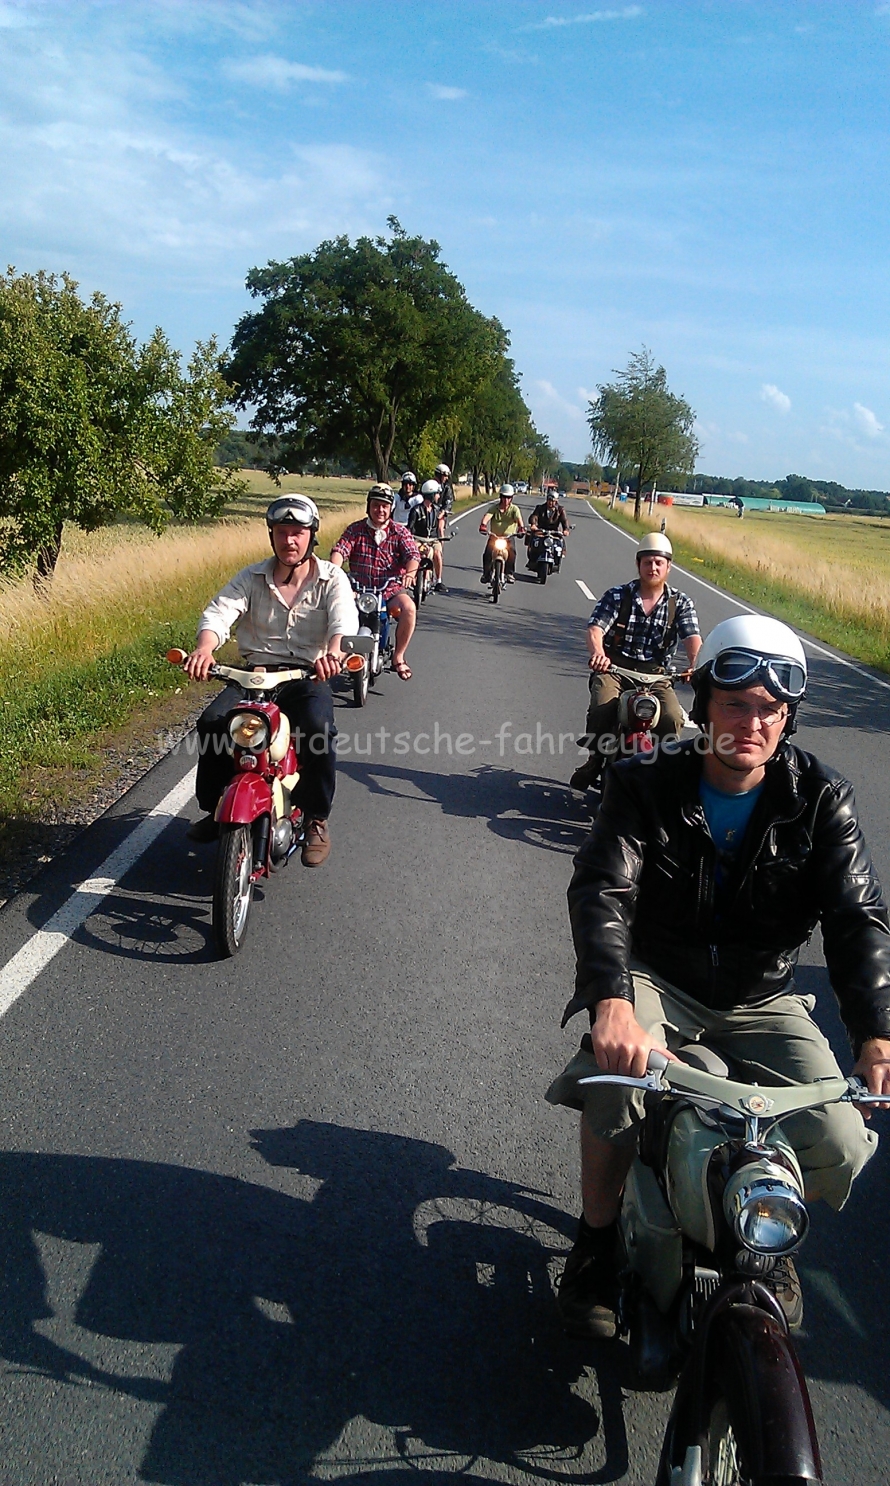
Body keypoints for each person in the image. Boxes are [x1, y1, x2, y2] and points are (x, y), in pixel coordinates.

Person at [548, 615, 890, 1339]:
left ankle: (767, 1234)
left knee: (840, 1134)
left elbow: (858, 918)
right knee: (615, 1088)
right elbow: (602, 890)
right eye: (736, 703)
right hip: (659, 977)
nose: (753, 721)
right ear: (704, 704)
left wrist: (876, 1036)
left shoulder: (822, 798)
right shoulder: (644, 781)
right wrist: (610, 1000)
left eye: (772, 708)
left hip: (761, 994)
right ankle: (596, 1241)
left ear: (788, 716)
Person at [184, 495, 359, 867]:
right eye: (282, 533)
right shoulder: (251, 577)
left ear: (311, 537)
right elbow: (219, 614)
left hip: (306, 674)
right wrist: (204, 649)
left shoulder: (332, 579)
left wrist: (333, 654)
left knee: (318, 728)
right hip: (254, 674)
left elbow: (344, 624)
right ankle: (215, 806)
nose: (289, 541)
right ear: (272, 536)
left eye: (298, 533)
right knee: (213, 723)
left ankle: (316, 817)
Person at [569, 533, 701, 792]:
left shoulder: (680, 603)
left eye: (658, 563)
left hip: (657, 676)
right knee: (602, 706)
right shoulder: (618, 596)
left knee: (673, 718)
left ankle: (663, 772)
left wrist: (696, 664)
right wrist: (599, 653)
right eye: (647, 562)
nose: (653, 567)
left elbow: (692, 637)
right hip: (615, 669)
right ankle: (595, 758)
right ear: (638, 564)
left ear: (668, 567)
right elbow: (595, 629)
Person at [330, 484, 420, 680]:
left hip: (389, 590)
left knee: (409, 608)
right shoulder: (355, 530)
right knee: (334, 610)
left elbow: (413, 554)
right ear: (369, 506)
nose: (380, 510)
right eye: (376, 505)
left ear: (391, 509)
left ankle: (398, 657)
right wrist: (335, 571)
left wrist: (410, 574)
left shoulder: (399, 532)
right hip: (358, 591)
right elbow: (340, 550)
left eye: (385, 506)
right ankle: (333, 656)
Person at [479, 483, 526, 584]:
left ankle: (509, 573)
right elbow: (487, 516)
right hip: (494, 537)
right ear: (500, 497)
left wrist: (521, 528)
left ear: (511, 498)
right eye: (504, 497)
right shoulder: (494, 508)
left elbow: (519, 520)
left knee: (512, 552)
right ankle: (486, 574)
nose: (506, 500)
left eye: (508, 497)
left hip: (508, 538)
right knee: (487, 553)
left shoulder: (514, 509)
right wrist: (483, 525)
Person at [408, 480, 448, 593]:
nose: (438, 496)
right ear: (431, 495)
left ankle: (438, 581)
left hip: (433, 539)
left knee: (437, 554)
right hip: (418, 538)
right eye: (437, 493)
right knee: (414, 553)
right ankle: (412, 576)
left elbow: (439, 527)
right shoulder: (416, 510)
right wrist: (411, 539)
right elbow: (410, 528)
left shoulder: (436, 510)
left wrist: (441, 538)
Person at [526, 489, 569, 568]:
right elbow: (534, 516)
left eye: (553, 501)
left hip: (554, 531)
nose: (550, 502)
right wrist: (533, 524)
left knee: (560, 542)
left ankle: (559, 557)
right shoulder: (540, 508)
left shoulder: (560, 510)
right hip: (541, 530)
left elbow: (564, 520)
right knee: (534, 540)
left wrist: (566, 529)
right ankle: (532, 558)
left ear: (556, 501)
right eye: (549, 500)